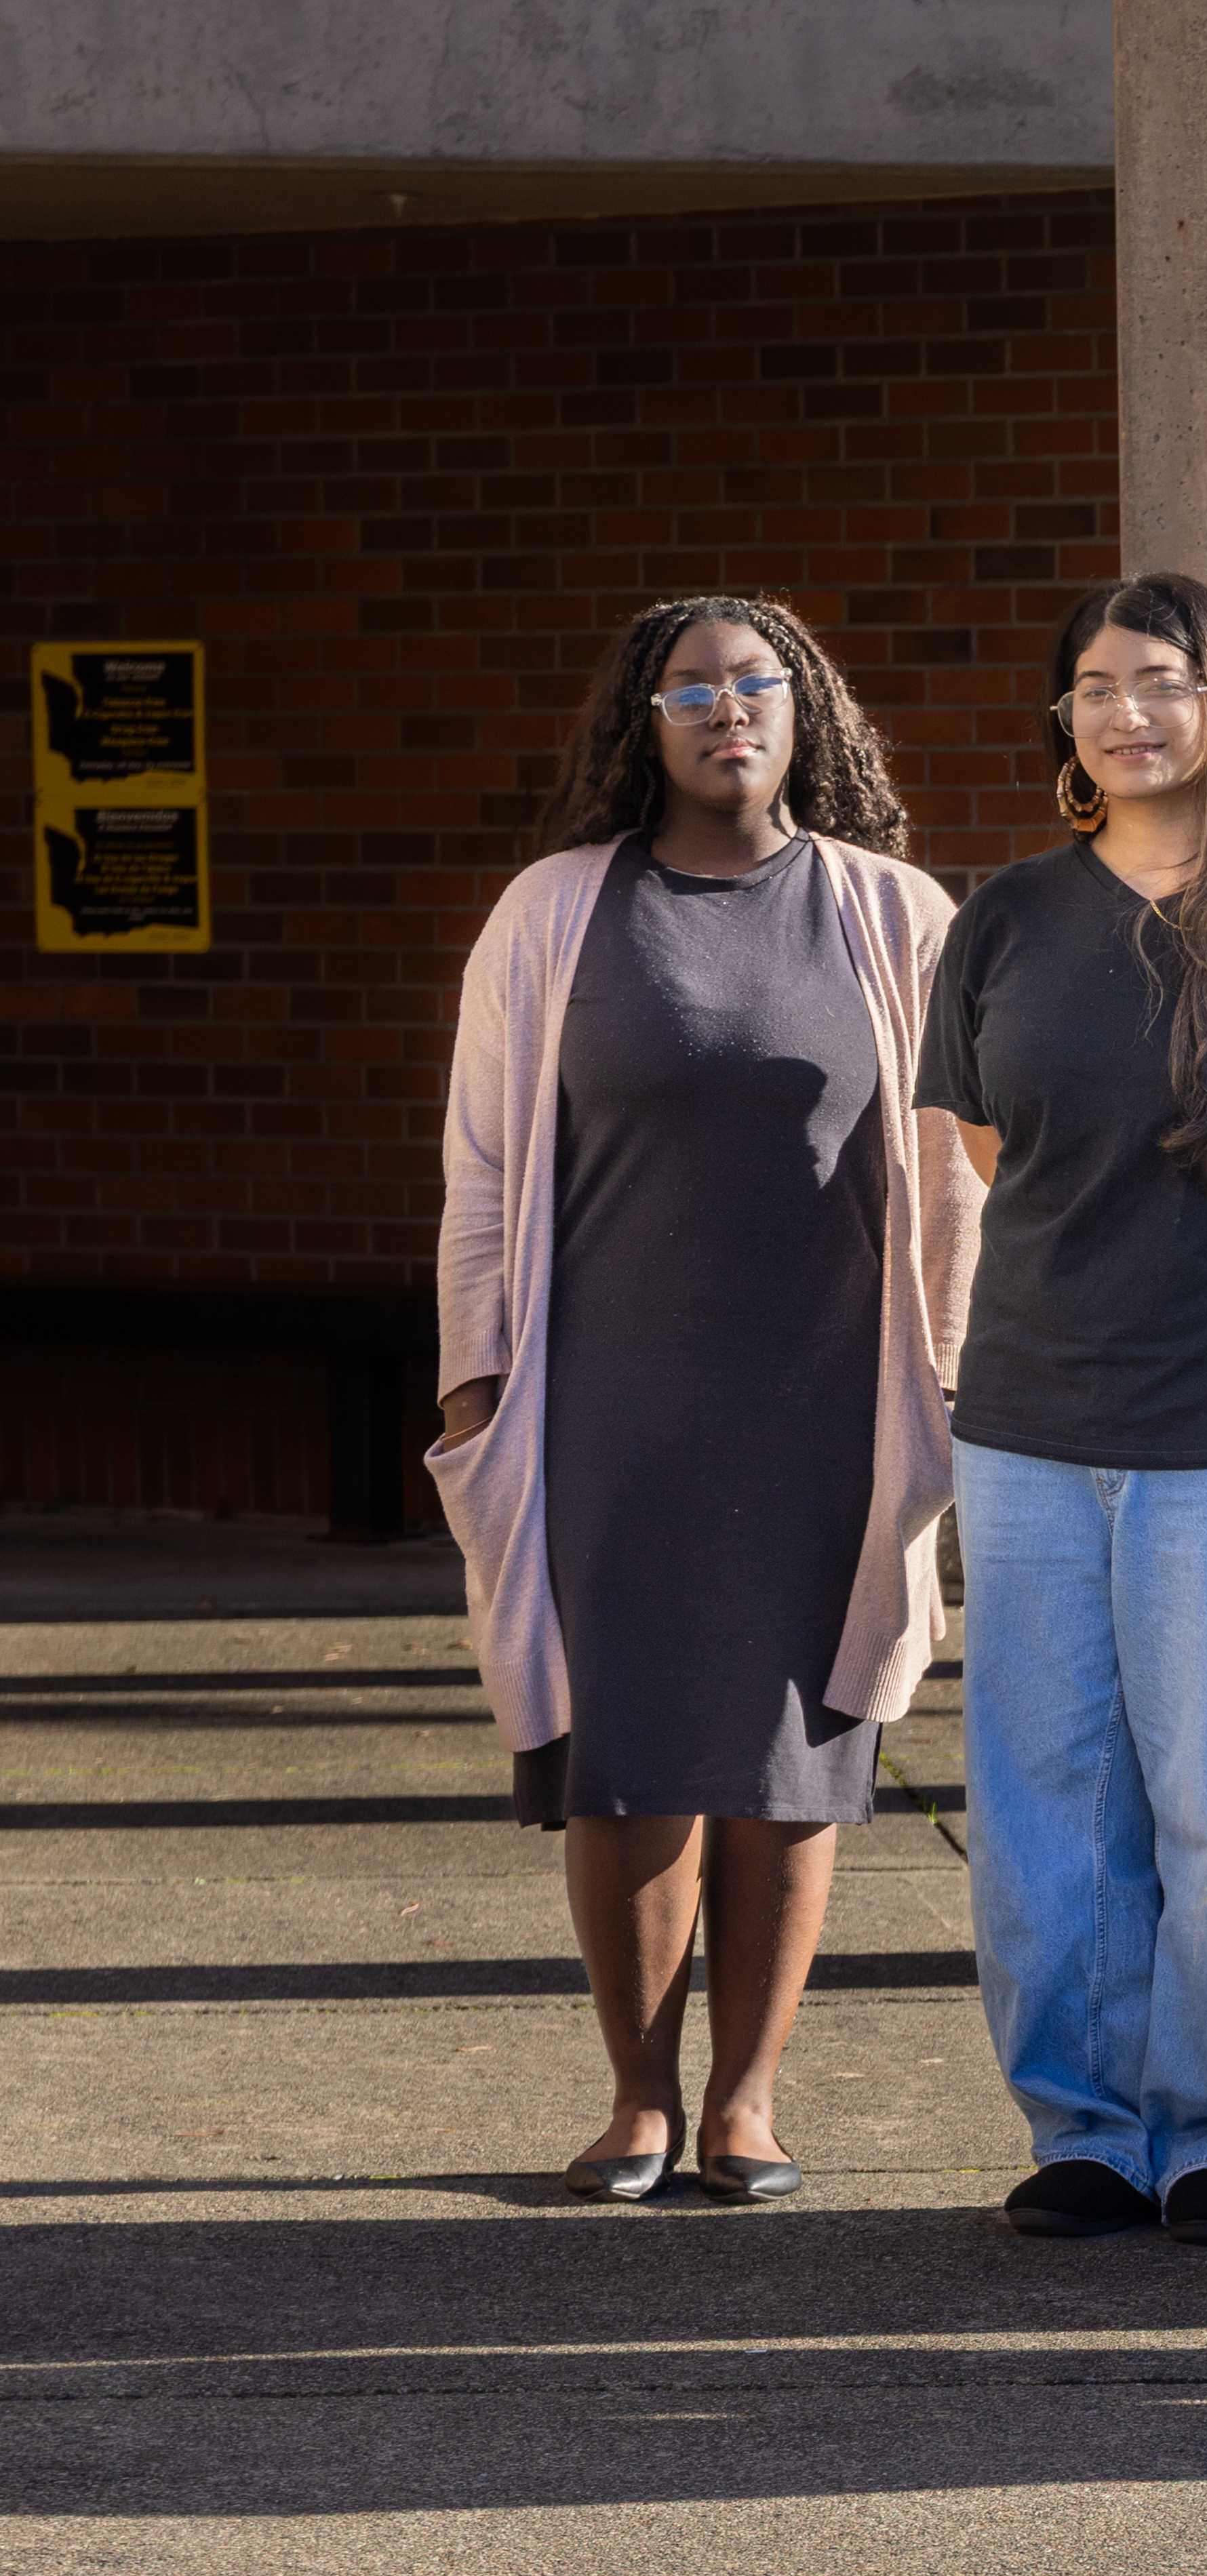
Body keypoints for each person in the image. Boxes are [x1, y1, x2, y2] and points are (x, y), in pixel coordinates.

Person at [433, 595, 974, 2208]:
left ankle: (746, 2101)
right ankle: (635, 2099)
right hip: (609, 1392)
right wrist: (476, 1382)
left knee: (794, 1750)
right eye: (691, 690)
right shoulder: (550, 913)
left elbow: (956, 1173)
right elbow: (478, 1162)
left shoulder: (894, 914)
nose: (727, 710)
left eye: (757, 684)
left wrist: (943, 1379)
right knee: (626, 1750)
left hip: (826, 1390)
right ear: (642, 723)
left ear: (806, 711)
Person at [917, 572, 1207, 2245]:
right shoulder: (1011, 922)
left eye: (1164, 680)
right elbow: (993, 1155)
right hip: (1034, 1417)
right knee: (1049, 1789)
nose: (1128, 710)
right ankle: (1088, 2127)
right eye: (1098, 685)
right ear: (1068, 721)